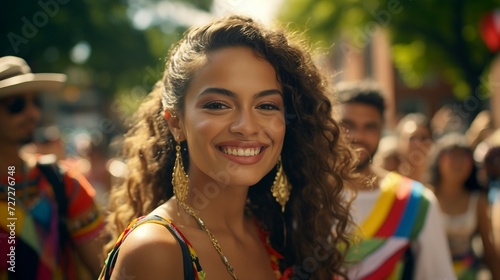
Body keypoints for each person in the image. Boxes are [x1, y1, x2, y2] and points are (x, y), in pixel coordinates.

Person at [100, 15, 358, 280]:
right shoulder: (154, 250)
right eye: (218, 105)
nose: (247, 126)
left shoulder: (273, 232)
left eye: (267, 106)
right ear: (176, 123)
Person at [335, 81, 455, 280]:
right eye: (347, 126)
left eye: (370, 127)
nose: (358, 136)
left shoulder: (415, 201)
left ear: (382, 129)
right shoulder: (304, 194)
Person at [0, 56, 106, 279]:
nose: (32, 113)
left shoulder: (62, 182)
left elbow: (104, 270)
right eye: (16, 105)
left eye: (36, 102)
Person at [428, 133, 500, 279]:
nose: (457, 162)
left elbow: (489, 250)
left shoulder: (478, 201)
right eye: (452, 155)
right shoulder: (424, 197)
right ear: (438, 160)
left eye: (463, 157)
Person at [394, 113, 433, 182]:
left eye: (423, 138)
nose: (418, 144)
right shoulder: (388, 180)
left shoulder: (438, 182)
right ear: (399, 141)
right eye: (412, 138)